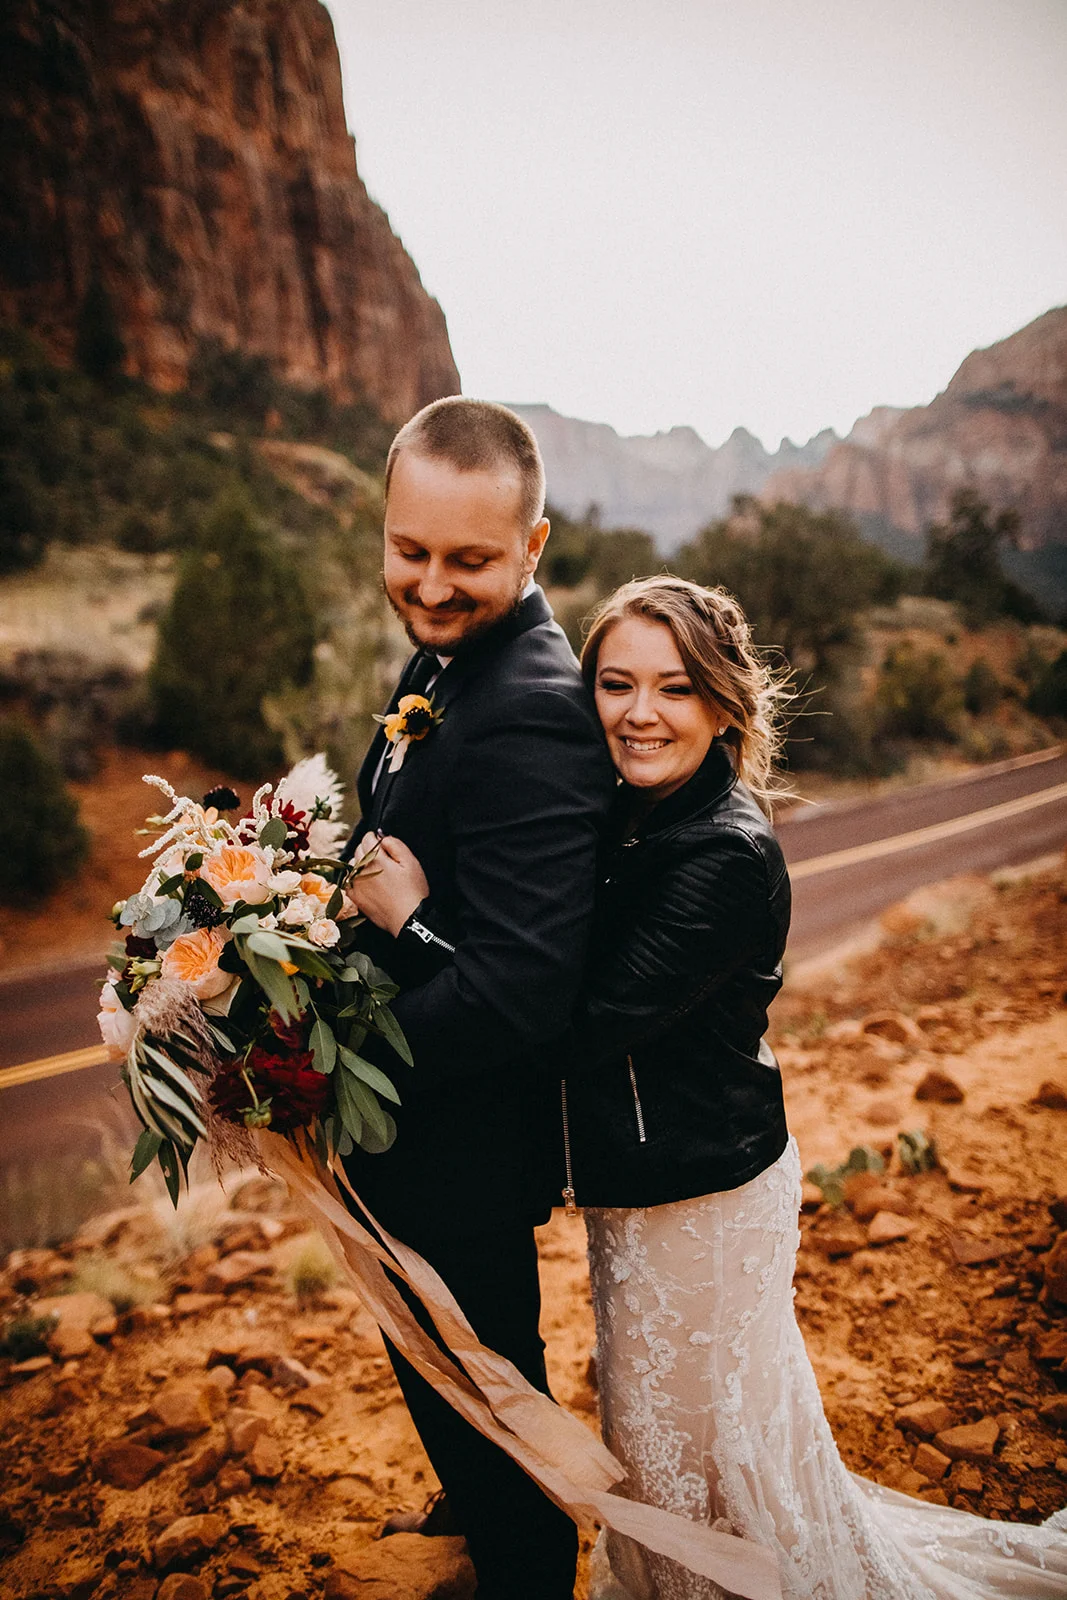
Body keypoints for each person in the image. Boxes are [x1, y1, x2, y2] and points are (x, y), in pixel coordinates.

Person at [362, 574, 1067, 1599]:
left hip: (700, 1197)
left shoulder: (725, 856)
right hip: (641, 1187)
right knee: (671, 1456)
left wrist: (416, 925)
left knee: (701, 1460)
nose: (640, 713)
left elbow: (562, 1026)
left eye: (675, 689)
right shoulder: (622, 814)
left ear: (723, 705)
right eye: (614, 684)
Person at [339, 396, 615, 1600]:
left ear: (534, 547)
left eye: (470, 560)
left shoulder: (534, 710)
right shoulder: (450, 660)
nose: (434, 586)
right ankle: (485, 1525)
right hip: (415, 1128)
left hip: (460, 1140)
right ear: (385, 525)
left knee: (491, 1396)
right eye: (412, 552)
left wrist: (323, 1058)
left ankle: (520, 1570)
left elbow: (518, 992)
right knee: (448, 1381)